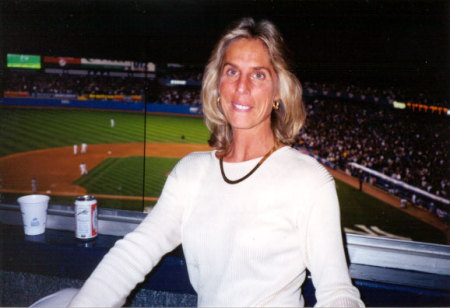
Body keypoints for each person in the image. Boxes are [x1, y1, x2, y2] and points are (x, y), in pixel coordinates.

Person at [38, 18, 364, 307]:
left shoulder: (309, 180)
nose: (241, 87)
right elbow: (136, 251)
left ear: (278, 91)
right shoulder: (191, 172)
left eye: (259, 75)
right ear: (217, 85)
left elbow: (337, 292)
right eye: (232, 71)